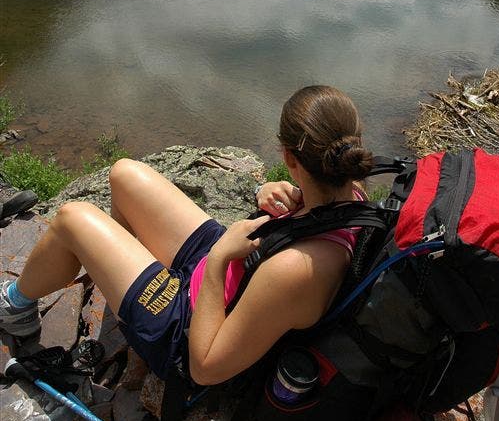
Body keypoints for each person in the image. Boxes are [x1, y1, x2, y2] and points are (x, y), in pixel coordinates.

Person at [0, 85, 372, 386]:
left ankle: (16, 308)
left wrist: (218, 260)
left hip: (191, 326)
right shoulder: (351, 194)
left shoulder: (297, 270)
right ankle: (122, 281)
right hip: (231, 275)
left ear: (291, 157)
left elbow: (205, 368)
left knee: (72, 217)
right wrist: (273, 191)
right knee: (124, 173)